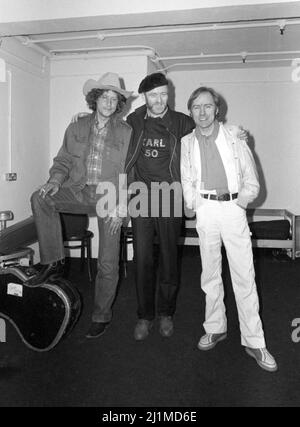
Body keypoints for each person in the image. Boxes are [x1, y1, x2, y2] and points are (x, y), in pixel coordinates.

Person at [181, 86, 277, 372]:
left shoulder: (235, 136)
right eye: (196, 107)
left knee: (244, 275)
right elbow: (186, 177)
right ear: (191, 111)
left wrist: (241, 204)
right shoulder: (186, 142)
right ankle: (215, 327)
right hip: (206, 210)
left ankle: (254, 340)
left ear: (217, 109)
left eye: (207, 106)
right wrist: (193, 204)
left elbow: (252, 178)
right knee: (209, 274)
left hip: (233, 210)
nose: (202, 111)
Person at [30, 72, 133, 339]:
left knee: (108, 262)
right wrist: (54, 180)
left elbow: (129, 171)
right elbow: (63, 160)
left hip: (109, 197)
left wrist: (122, 206)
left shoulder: (126, 131)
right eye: (104, 96)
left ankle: (101, 315)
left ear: (119, 104)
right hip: (77, 191)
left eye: (114, 98)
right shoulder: (75, 126)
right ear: (95, 99)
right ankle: (53, 261)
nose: (109, 102)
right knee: (40, 197)